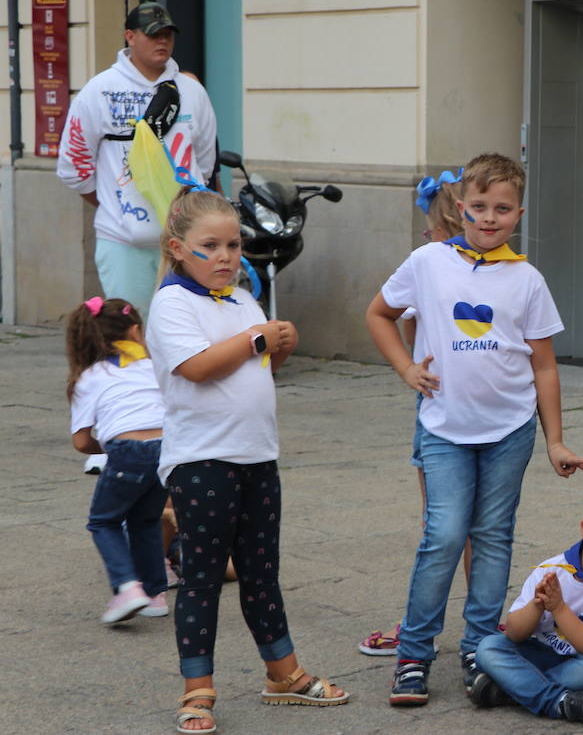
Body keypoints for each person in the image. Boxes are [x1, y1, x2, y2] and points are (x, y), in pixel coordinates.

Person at [367, 152, 583, 708]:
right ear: (460, 207)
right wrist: (405, 368)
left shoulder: (528, 279)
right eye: (478, 207)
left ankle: (479, 649)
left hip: (509, 432)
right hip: (444, 428)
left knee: (493, 539)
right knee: (444, 536)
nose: (489, 218)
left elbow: (543, 365)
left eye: (502, 209)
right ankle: (414, 655)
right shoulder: (427, 262)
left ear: (519, 213)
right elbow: (379, 313)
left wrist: (555, 439)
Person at [147, 185, 348, 735]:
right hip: (202, 461)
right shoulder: (172, 303)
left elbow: (254, 372)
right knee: (204, 578)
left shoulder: (241, 299)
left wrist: (276, 347)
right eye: (209, 246)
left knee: (262, 572)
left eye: (234, 245)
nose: (225, 257)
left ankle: (283, 674)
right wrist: (259, 337)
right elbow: (199, 368)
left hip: (257, 456)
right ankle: (198, 691)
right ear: (177, 249)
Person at [356, 170, 474, 658]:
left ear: (445, 223)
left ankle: (417, 627)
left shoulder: (428, 265)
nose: (425, 238)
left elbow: (399, 323)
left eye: (429, 229)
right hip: (490, 413)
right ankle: (482, 627)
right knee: (481, 530)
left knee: (441, 526)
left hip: (440, 406)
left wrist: (410, 366)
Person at [56, 2, 219, 315]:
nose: (163, 41)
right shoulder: (100, 91)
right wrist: (112, 202)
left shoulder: (192, 92)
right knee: (135, 335)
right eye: (153, 34)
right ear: (130, 36)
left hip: (188, 242)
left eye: (168, 35)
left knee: (189, 333)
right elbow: (73, 166)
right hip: (124, 244)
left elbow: (205, 162)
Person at [469, 481, 583, 725]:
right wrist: (537, 605)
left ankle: (514, 689)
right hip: (542, 654)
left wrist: (558, 608)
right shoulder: (551, 569)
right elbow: (514, 633)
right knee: (488, 647)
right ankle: (558, 702)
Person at [65, 295, 170, 624]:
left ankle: (127, 587)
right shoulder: (157, 366)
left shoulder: (90, 377)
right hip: (169, 449)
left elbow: (81, 442)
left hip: (128, 452)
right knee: (146, 520)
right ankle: (155, 595)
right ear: (136, 332)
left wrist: (110, 447)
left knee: (104, 521)